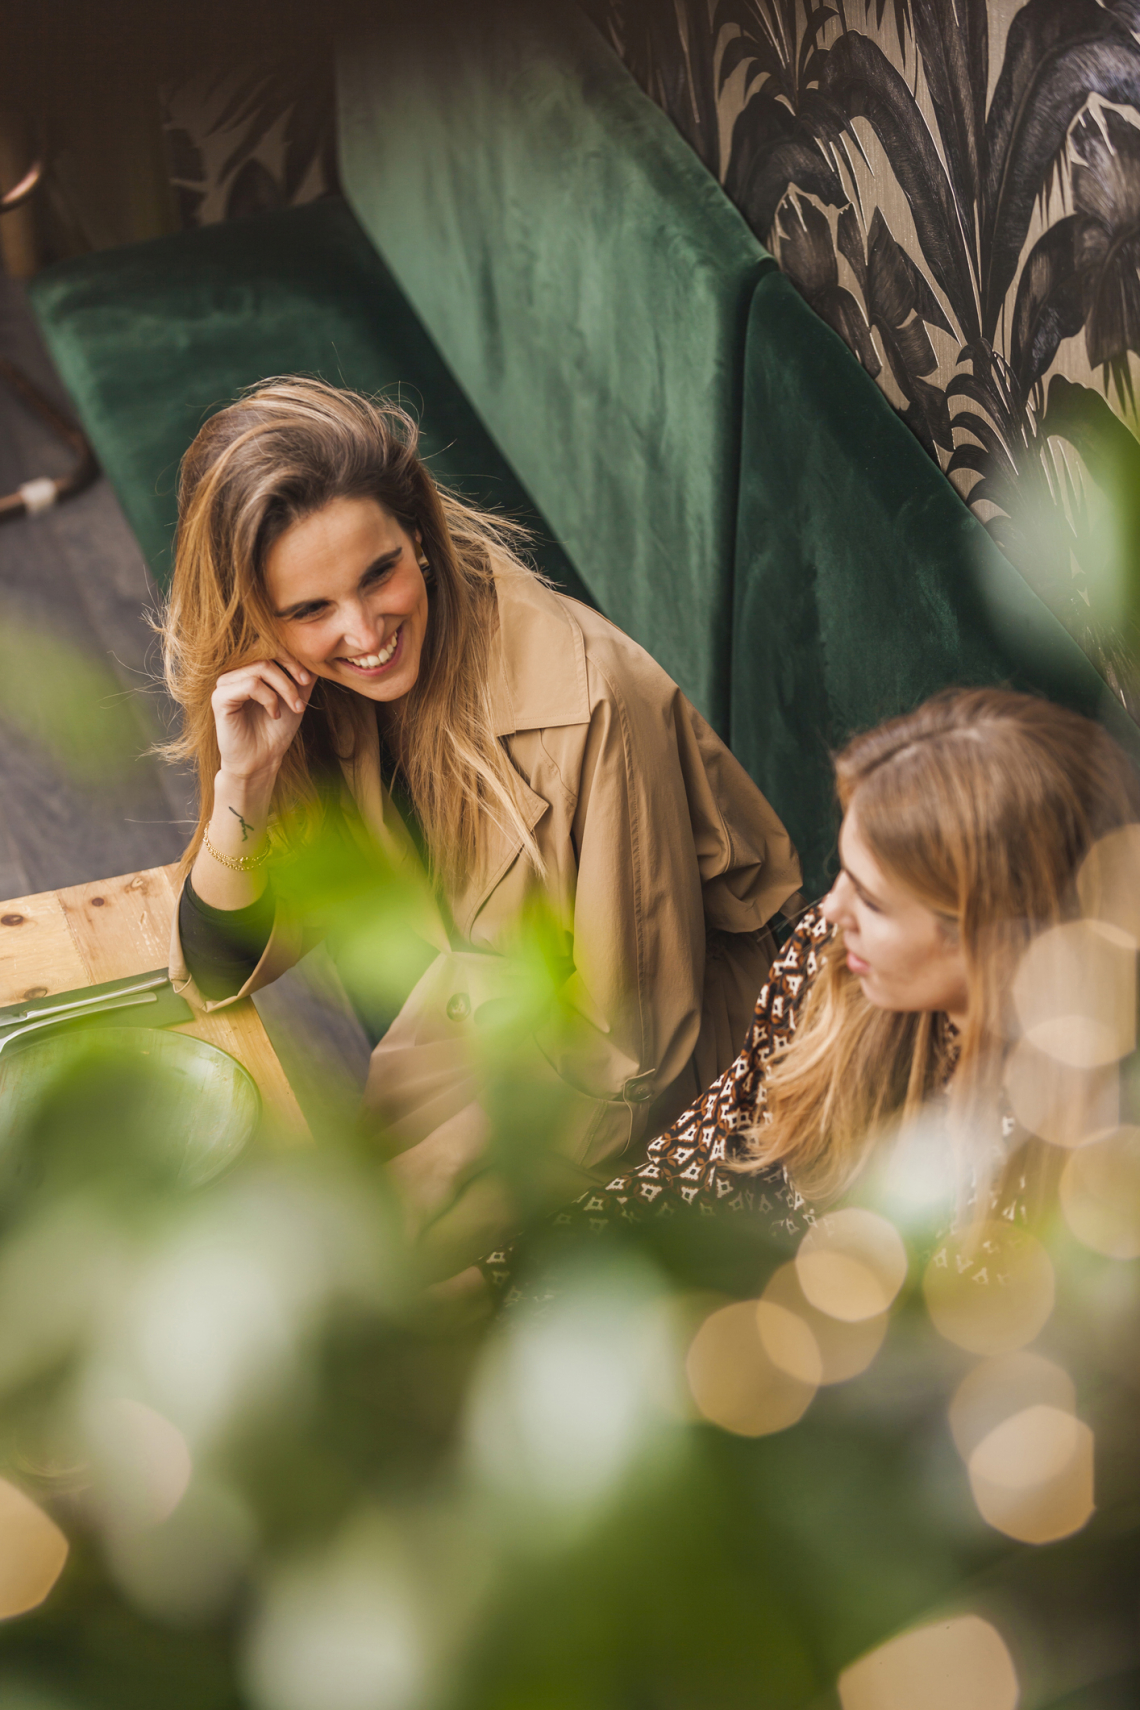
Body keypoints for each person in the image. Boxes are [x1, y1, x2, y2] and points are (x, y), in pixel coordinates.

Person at [161, 377, 801, 1268]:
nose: (363, 631)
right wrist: (245, 785)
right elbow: (213, 972)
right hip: (488, 1018)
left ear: (418, 535)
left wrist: (420, 1214)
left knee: (360, 1291)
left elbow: (630, 1050)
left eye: (378, 573)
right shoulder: (309, 699)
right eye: (310, 610)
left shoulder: (592, 706)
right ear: (260, 617)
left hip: (674, 1078)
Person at [480, 686, 1140, 1294]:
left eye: (875, 903)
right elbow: (709, 1148)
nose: (831, 911)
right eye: (845, 874)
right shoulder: (834, 962)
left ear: (996, 939)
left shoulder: (1085, 1162)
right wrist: (517, 1275)